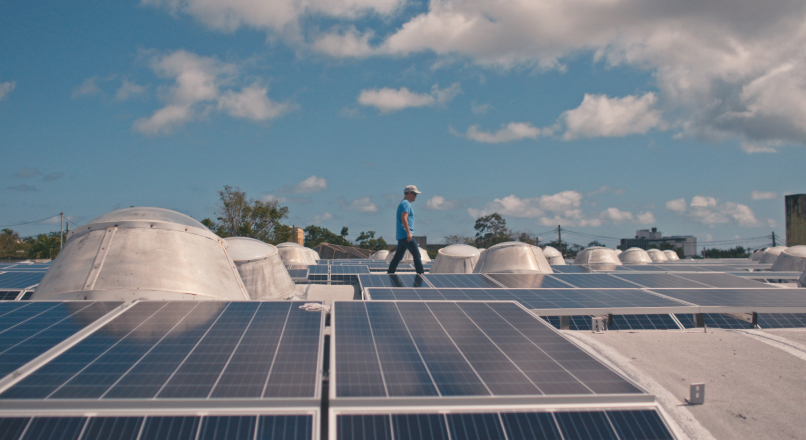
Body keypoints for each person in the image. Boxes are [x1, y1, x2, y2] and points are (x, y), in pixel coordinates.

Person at [387, 185, 424, 274]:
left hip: (402, 235)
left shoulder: (404, 203)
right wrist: (408, 233)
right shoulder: (406, 204)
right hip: (405, 235)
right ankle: (421, 274)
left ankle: (390, 273)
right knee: (417, 255)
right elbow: (404, 218)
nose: (416, 196)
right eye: (415, 194)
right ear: (409, 193)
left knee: (398, 257)